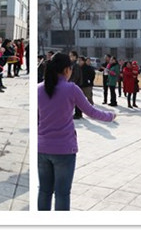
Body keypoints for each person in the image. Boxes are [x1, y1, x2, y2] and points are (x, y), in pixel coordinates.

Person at [37, 53, 116, 211]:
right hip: (64, 149)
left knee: (44, 191)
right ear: (67, 70)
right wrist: (110, 116)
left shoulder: (38, 88)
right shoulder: (71, 89)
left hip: (42, 148)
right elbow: (91, 112)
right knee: (62, 194)